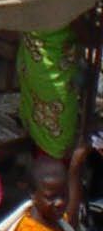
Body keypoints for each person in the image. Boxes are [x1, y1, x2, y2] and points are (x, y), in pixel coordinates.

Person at [17, 24, 82, 160]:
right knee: (56, 122)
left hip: (36, 56)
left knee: (40, 116)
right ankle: (52, 165)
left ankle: (43, 161)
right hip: (50, 69)